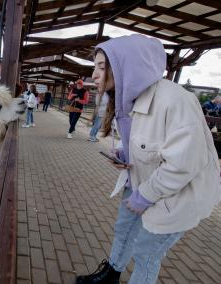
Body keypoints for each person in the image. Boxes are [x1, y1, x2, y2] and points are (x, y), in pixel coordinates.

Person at [75, 34, 221, 284]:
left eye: (101, 67)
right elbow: (144, 142)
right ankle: (111, 275)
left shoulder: (175, 100)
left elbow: (184, 163)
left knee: (146, 252)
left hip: (175, 196)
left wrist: (146, 195)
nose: (95, 75)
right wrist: (123, 153)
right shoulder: (130, 98)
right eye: (94, 67)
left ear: (126, 64)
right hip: (141, 184)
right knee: (124, 230)